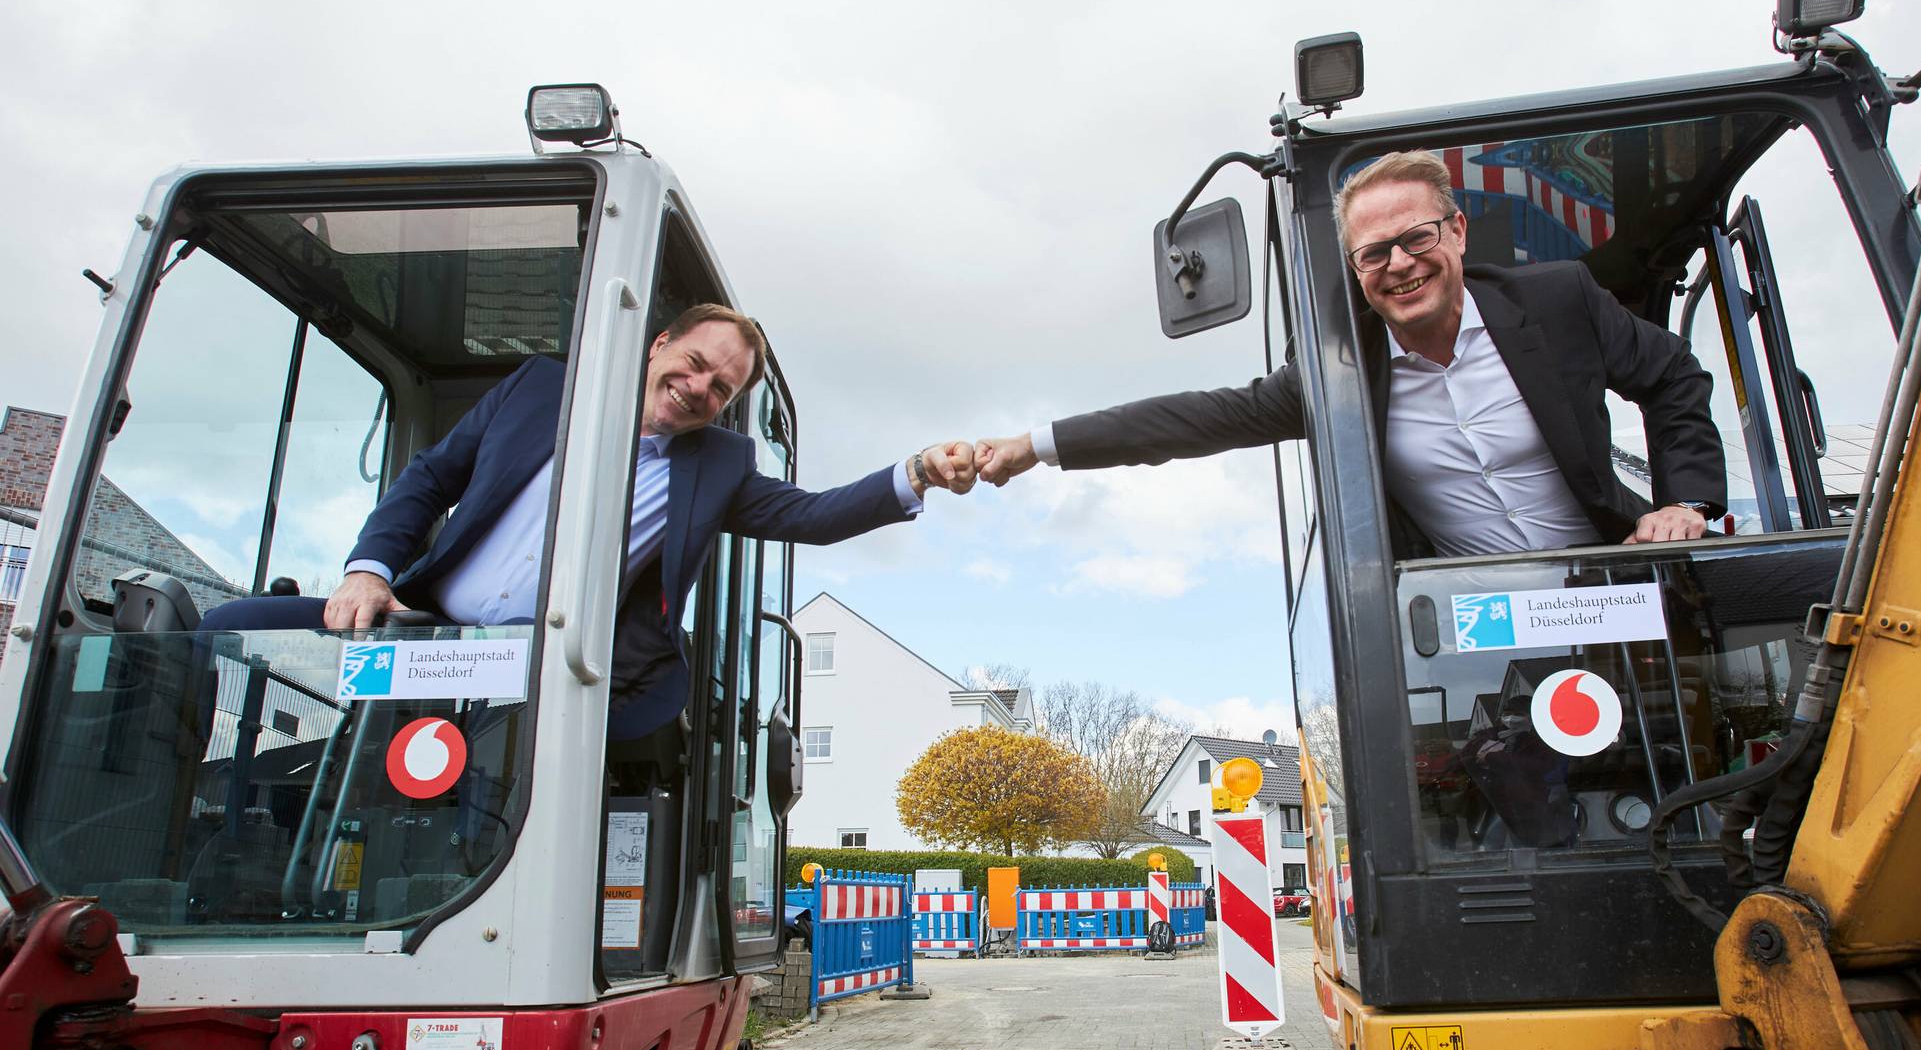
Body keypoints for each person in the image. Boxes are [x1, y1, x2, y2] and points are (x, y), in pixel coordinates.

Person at [202, 303, 977, 737]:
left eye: (722, 388)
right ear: (660, 342)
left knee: (502, 769)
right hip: (430, 633)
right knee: (223, 625)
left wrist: (915, 472)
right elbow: (431, 474)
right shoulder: (540, 390)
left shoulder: (718, 465)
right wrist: (369, 569)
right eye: (697, 363)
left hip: (557, 674)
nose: (701, 387)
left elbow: (814, 515)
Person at [974, 150, 1727, 558]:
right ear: (1355, 269)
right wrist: (1035, 447)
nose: (1399, 264)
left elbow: (1673, 378)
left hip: (1618, 582)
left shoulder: (1559, 301)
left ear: (1457, 233)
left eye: (1417, 238)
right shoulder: (1340, 378)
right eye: (1373, 254)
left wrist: (1684, 504)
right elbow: (1192, 420)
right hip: (1472, 629)